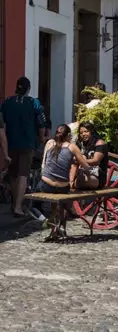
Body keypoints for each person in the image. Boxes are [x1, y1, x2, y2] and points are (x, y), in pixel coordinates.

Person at [0, 77, 47, 216]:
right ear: (28, 88)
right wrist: (42, 137)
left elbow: (3, 123)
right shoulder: (33, 102)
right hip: (27, 143)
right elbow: (41, 122)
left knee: (13, 175)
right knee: (23, 175)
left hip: (11, 143)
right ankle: (18, 207)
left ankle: (15, 203)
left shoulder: (6, 102)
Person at [39, 125, 90, 239]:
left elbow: (43, 165)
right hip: (62, 186)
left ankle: (54, 226)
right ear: (68, 136)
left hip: (46, 185)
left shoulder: (49, 143)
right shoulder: (72, 147)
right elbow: (86, 166)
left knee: (54, 201)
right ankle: (62, 227)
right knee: (66, 202)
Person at [75, 122, 109, 189]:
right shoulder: (85, 145)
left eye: (86, 131)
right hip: (86, 173)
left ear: (92, 131)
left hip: (97, 177)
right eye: (81, 133)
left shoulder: (100, 143)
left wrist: (80, 161)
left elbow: (96, 161)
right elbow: (82, 158)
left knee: (81, 179)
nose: (83, 134)